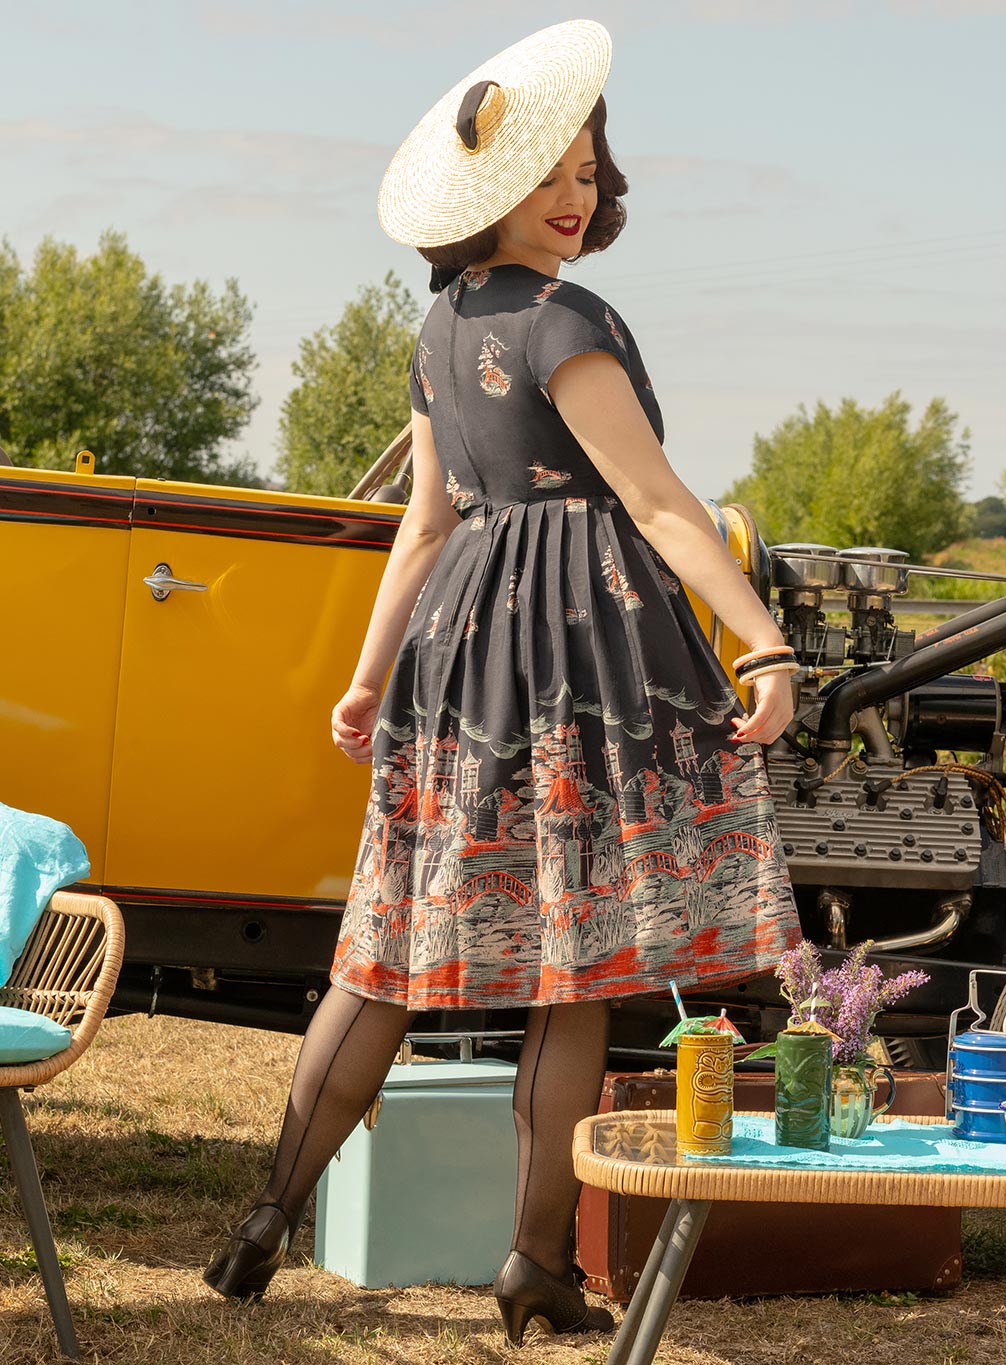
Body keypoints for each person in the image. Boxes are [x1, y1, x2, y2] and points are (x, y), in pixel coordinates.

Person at [204, 19, 801, 1347]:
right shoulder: (564, 320)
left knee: (386, 957)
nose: (578, 195)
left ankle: (265, 1217)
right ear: (491, 198)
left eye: (589, 171)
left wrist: (370, 679)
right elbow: (652, 500)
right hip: (577, 656)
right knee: (569, 973)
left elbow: (425, 525)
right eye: (552, 179)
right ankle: (534, 1265)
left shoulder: (438, 325)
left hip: (460, 656)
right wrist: (761, 638)